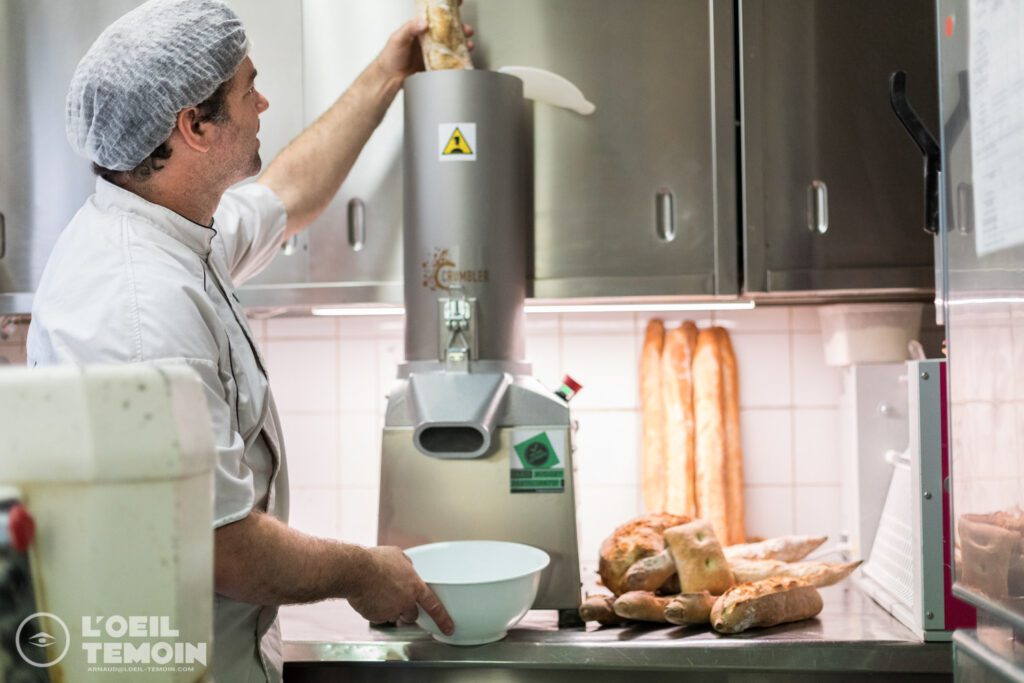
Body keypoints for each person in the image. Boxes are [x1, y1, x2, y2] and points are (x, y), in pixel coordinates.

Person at [26, 1, 470, 680]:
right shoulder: (139, 303)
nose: (264, 102)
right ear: (194, 126)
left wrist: (387, 74)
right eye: (247, 89)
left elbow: (287, 194)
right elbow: (222, 545)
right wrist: (362, 568)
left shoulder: (170, 231)